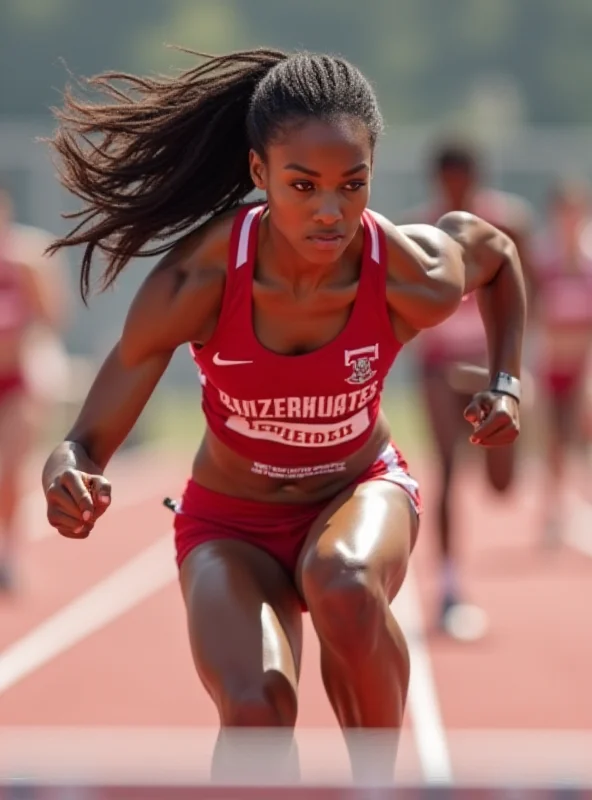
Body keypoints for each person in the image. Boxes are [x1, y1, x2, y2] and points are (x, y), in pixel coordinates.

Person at [41, 49, 525, 784]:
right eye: (303, 186)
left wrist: (508, 381)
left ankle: (376, 786)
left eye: (351, 185)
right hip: (230, 524)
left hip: (359, 491)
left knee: (343, 579)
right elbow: (83, 441)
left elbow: (493, 253)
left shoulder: (405, 272)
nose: (331, 211)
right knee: (258, 709)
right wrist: (68, 476)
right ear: (259, 174)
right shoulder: (198, 279)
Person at [398, 137, 533, 641]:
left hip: (487, 362)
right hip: (438, 364)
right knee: (448, 469)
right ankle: (451, 587)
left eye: (463, 180)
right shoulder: (420, 229)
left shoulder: (507, 223)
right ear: (438, 182)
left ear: (475, 179)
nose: (455, 190)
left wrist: (515, 370)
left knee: (501, 483)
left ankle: (516, 426)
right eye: (447, 182)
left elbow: (524, 293)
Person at [0, 188, 70, 592]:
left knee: (10, 471)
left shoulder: (27, 259)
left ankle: (8, 553)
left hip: (16, 381)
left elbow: (50, 316)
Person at [530, 178, 592, 545]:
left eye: (575, 212)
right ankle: (553, 510)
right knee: (554, 441)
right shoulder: (544, 260)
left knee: (583, 433)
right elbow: (534, 316)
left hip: (583, 365)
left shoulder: (588, 262)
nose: (569, 220)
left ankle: (579, 504)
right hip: (551, 365)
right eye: (563, 213)